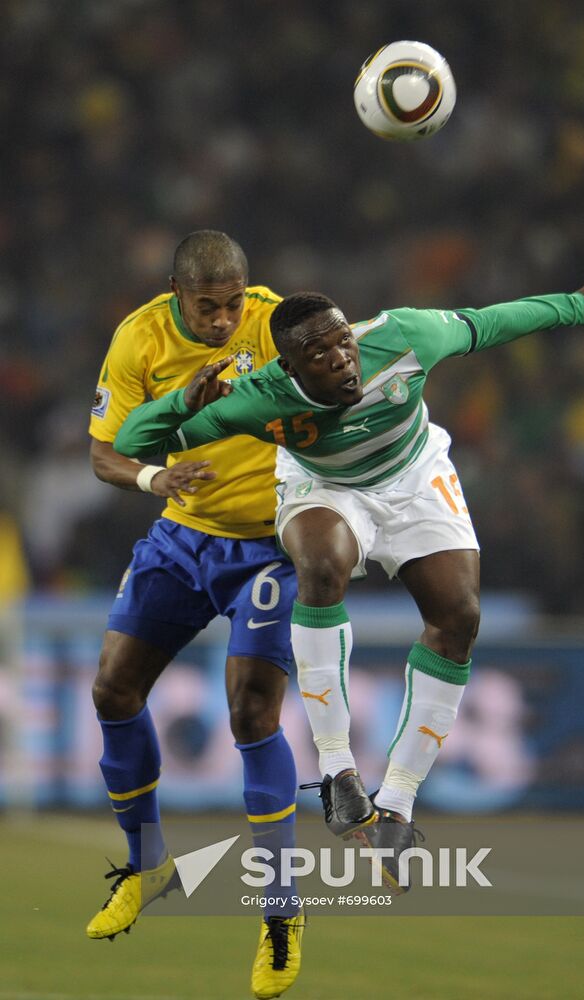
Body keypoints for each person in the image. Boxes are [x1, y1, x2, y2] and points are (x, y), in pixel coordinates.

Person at [113, 278, 584, 893]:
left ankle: (398, 807)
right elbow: (131, 442)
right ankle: (337, 772)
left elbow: (490, 321)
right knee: (321, 568)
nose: (341, 359)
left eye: (343, 344)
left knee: (459, 619)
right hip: (324, 487)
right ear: (290, 367)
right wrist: (181, 402)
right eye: (321, 355)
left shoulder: (403, 335)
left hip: (413, 476)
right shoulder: (256, 399)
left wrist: (578, 306)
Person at [87, 230, 303, 1000]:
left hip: (271, 546)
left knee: (250, 712)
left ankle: (281, 914)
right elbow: (104, 453)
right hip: (183, 537)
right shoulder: (139, 338)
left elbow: (347, 377)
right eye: (207, 307)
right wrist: (156, 475)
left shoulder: (280, 322)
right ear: (177, 295)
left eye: (232, 304)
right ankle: (147, 868)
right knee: (113, 690)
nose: (222, 320)